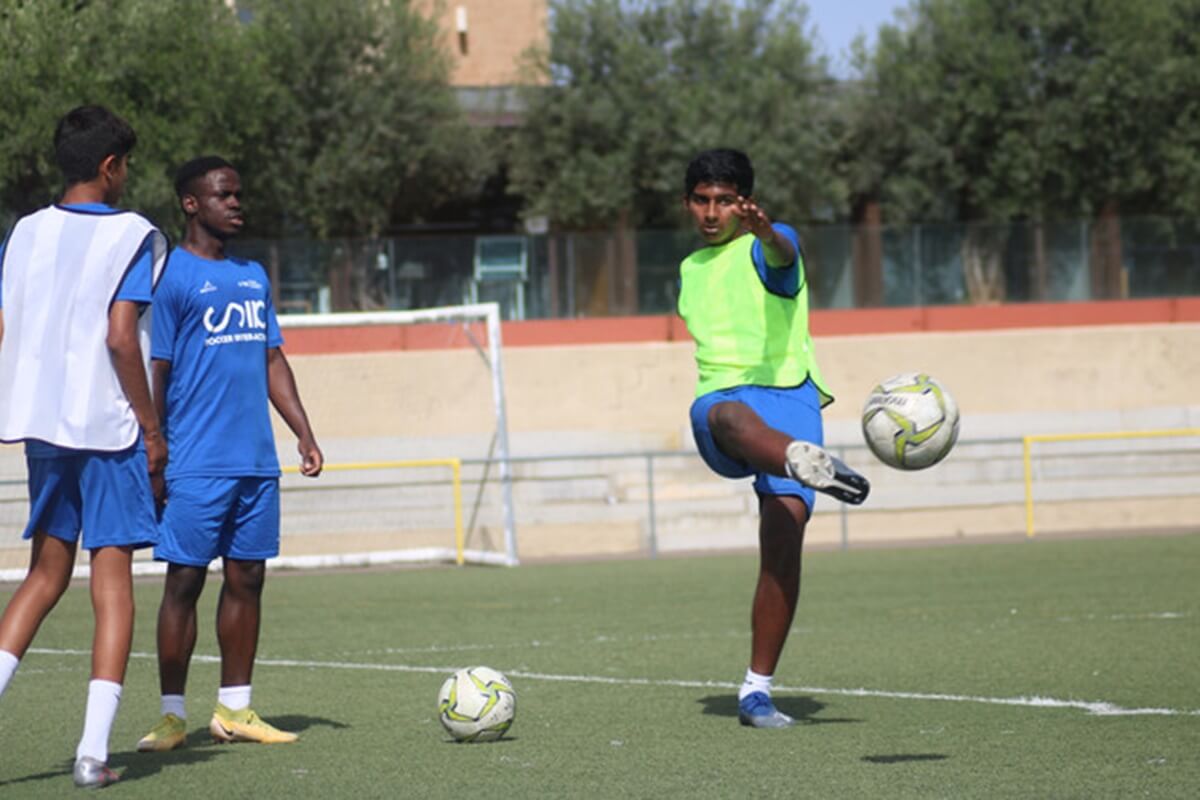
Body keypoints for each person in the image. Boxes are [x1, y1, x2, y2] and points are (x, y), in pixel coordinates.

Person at [0, 105, 168, 788]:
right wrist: (152, 430)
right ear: (109, 168)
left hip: (43, 426)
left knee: (42, 577)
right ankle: (93, 753)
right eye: (124, 164)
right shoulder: (132, 235)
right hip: (108, 426)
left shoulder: (22, 233)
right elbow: (121, 336)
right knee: (113, 583)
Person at [676, 148, 870, 729]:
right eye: (702, 201)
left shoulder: (770, 243)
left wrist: (768, 234)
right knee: (728, 418)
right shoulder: (689, 269)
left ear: (745, 203)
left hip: (791, 399)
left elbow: (783, 257)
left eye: (725, 201)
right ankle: (801, 462)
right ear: (689, 203)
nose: (713, 213)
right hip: (729, 404)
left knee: (784, 537)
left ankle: (756, 692)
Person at [136, 156, 322, 752]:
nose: (236, 203)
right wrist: (155, 444)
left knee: (247, 578)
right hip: (195, 461)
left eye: (239, 194)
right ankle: (171, 716)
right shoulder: (173, 278)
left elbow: (272, 358)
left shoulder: (253, 276)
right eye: (224, 195)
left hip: (255, 462)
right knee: (184, 583)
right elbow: (156, 368)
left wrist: (303, 431)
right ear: (192, 203)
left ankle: (235, 710)